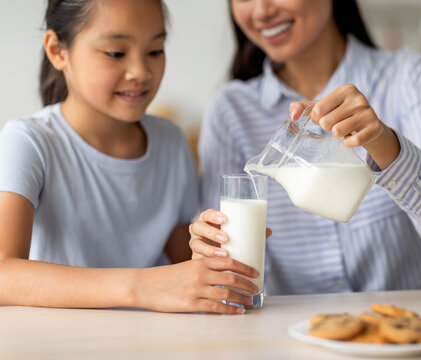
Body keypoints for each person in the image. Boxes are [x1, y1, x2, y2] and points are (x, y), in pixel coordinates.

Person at [189, 0, 421, 295]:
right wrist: (210, 249)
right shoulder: (230, 110)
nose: (262, 10)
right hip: (291, 332)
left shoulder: (408, 77)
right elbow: (228, 265)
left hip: (409, 324)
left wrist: (383, 141)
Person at [0, 0, 260, 314]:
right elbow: (4, 273)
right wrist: (140, 286)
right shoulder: (29, 141)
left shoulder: (170, 142)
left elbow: (183, 265)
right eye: (116, 53)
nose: (141, 71)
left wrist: (210, 249)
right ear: (57, 51)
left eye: (155, 51)